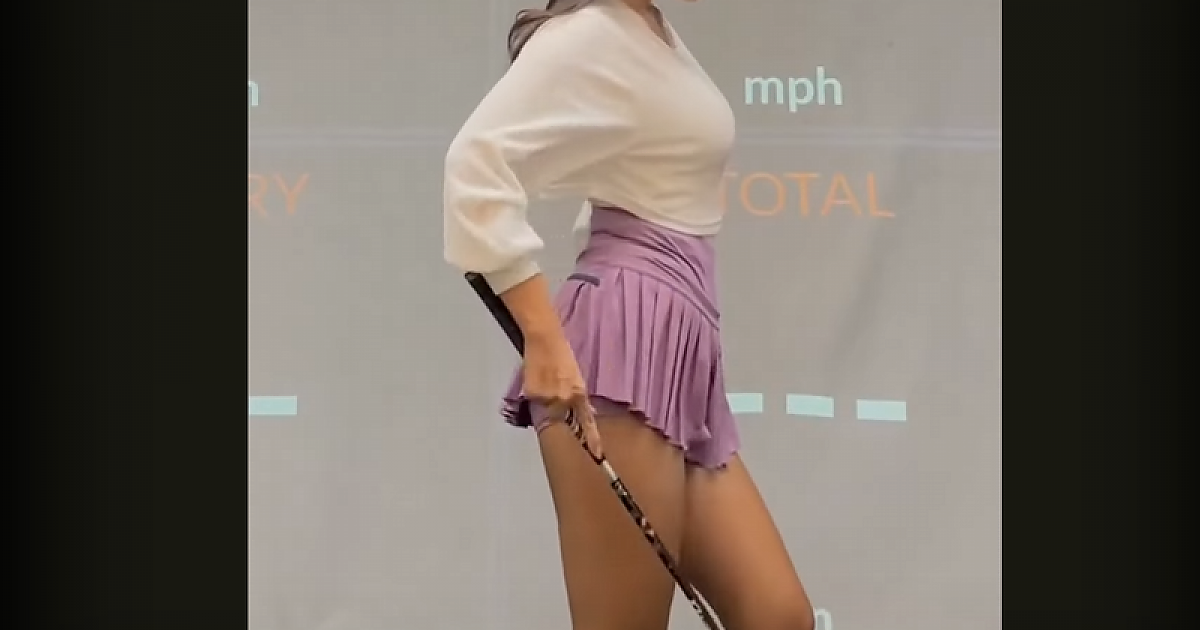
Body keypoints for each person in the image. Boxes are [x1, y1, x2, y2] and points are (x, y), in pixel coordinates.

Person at [443, 1, 814, 629]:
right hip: (622, 343)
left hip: (678, 342)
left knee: (778, 617)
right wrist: (543, 336)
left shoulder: (652, 28)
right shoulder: (593, 30)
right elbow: (474, 165)